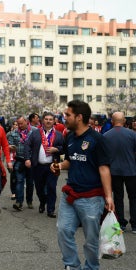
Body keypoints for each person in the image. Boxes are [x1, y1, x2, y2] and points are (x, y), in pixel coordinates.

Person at [50, 100, 114, 270]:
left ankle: (92, 267)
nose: (64, 117)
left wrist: (108, 196)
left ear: (79, 117)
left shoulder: (97, 139)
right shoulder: (69, 137)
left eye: (67, 115)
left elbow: (104, 168)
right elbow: (70, 161)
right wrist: (58, 166)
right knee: (63, 231)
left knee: (91, 239)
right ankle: (72, 265)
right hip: (70, 194)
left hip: (92, 198)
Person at [25, 112, 64, 218]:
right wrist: (27, 159)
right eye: (46, 119)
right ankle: (42, 202)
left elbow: (64, 148)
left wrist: (57, 149)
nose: (48, 121)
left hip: (53, 165)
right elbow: (27, 145)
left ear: (54, 121)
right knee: (39, 188)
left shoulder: (59, 135)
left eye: (50, 119)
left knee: (51, 187)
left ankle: (50, 210)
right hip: (38, 166)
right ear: (43, 120)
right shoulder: (35, 133)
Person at [104, 112, 136, 233]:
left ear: (112, 121)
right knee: (133, 197)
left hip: (114, 171)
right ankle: (134, 224)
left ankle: (121, 223)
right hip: (131, 171)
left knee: (118, 197)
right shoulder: (133, 135)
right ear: (124, 121)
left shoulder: (106, 136)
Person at [7, 115, 36, 211]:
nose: (19, 125)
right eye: (18, 124)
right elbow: (9, 144)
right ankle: (19, 202)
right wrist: (10, 147)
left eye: (21, 123)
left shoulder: (34, 131)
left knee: (30, 182)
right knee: (19, 181)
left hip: (31, 161)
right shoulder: (14, 133)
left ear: (26, 121)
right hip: (19, 160)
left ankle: (29, 201)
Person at [6, 120, 18, 200]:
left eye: (18, 124)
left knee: (19, 176)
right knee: (13, 175)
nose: (17, 126)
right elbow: (6, 145)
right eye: (15, 124)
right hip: (12, 157)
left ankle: (18, 192)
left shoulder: (23, 134)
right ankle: (14, 192)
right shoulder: (9, 134)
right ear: (12, 126)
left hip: (20, 157)